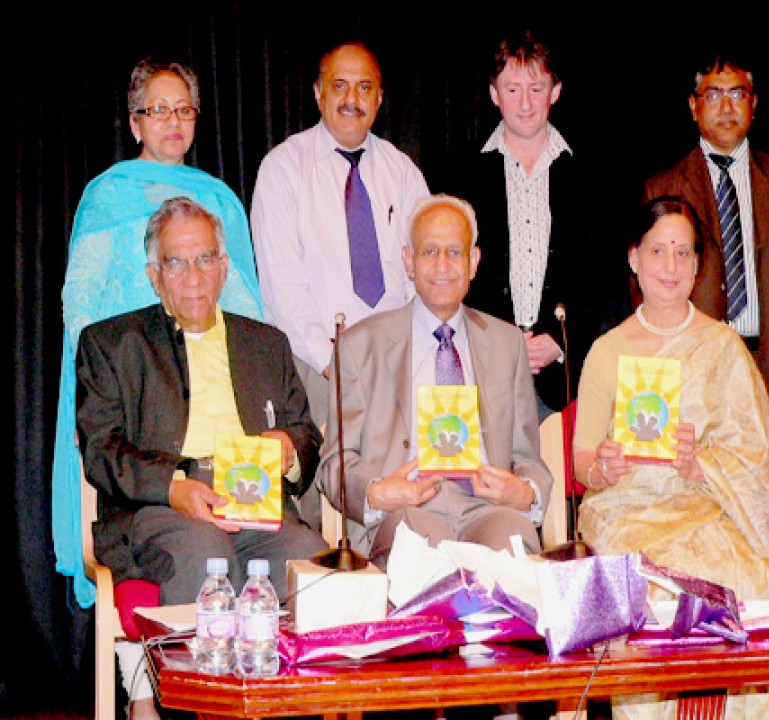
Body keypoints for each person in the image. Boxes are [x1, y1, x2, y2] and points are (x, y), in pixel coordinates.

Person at [572, 196, 769, 719]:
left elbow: (756, 460)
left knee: (752, 583)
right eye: (657, 251)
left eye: (683, 253)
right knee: (659, 594)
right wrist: (602, 467)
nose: (670, 266)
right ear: (634, 258)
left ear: (697, 265)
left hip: (706, 509)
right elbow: (583, 459)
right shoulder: (607, 349)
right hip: (627, 513)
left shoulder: (722, 348)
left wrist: (702, 464)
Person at [76, 197, 327, 720]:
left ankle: (287, 707)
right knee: (205, 552)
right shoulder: (111, 344)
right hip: (159, 508)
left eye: (206, 259)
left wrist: (289, 450)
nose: (194, 277)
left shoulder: (266, 344)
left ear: (224, 266)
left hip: (258, 509)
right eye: (176, 262)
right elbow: (101, 449)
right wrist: (173, 487)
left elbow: (305, 433)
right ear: (154, 275)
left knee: (311, 561)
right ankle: (199, 708)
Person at [52, 57, 264, 613]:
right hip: (133, 396)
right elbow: (80, 302)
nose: (173, 121)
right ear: (134, 123)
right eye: (158, 110)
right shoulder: (107, 195)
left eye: (184, 110)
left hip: (209, 397)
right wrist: (92, 395)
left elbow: (247, 308)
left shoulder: (219, 200)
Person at [316, 194, 553, 570]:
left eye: (454, 253)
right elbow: (335, 464)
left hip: (487, 509)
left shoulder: (507, 344)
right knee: (426, 557)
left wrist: (525, 491)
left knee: (512, 546)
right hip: (407, 512)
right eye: (429, 252)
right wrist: (377, 493)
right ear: (409, 261)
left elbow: (527, 458)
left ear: (473, 262)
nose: (442, 266)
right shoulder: (359, 346)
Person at [642, 52, 769, 481]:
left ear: (754, 103)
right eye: (713, 95)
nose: (726, 107)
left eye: (737, 94)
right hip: (695, 389)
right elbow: (648, 306)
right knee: (705, 512)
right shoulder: (663, 188)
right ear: (693, 106)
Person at [437, 28, 630, 421]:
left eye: (536, 88)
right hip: (481, 377)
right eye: (512, 89)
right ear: (494, 94)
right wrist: (502, 344)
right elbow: (444, 278)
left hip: (568, 379)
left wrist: (561, 342)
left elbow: (607, 282)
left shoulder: (594, 178)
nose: (524, 103)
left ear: (555, 91)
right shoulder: (460, 177)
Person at [250, 40, 430, 430]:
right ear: (318, 93)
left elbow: (425, 274)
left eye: (364, 87)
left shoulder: (403, 173)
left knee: (402, 470)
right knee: (324, 470)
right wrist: (333, 362)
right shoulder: (283, 169)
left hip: (395, 369)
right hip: (314, 368)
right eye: (339, 86)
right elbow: (282, 288)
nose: (352, 99)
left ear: (380, 98)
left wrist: (407, 352)